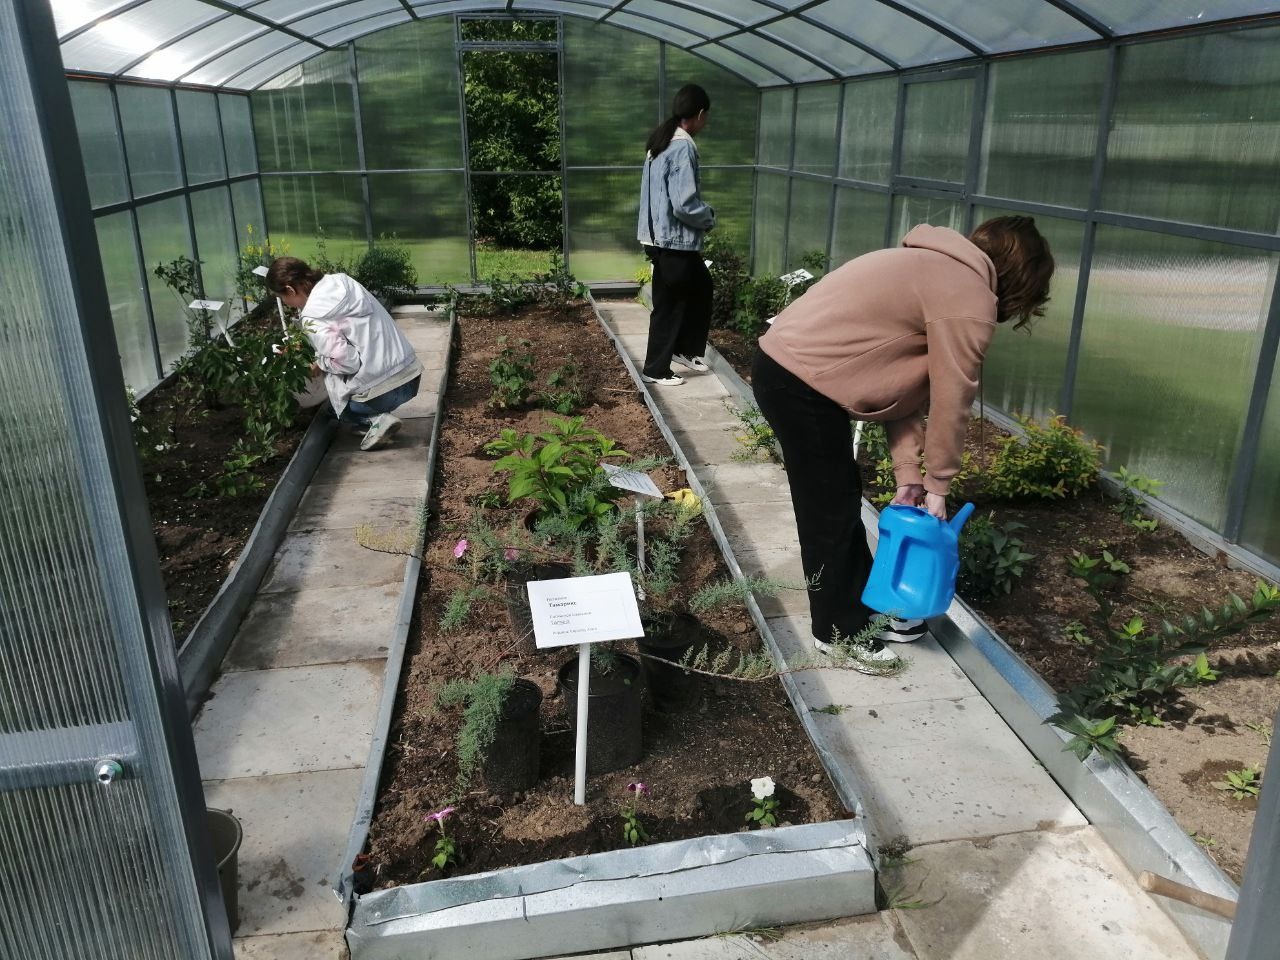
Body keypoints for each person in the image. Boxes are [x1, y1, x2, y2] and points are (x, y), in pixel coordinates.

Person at [752, 217, 1054, 671]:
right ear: (1022, 277)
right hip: (801, 381)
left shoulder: (928, 265)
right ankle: (839, 633)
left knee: (836, 501)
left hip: (789, 370)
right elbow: (953, 399)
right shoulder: (967, 296)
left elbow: (904, 391)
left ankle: (859, 612)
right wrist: (939, 485)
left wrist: (910, 475)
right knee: (829, 510)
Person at [267, 256, 422, 451]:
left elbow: (348, 363)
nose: (286, 303)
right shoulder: (341, 281)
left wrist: (320, 363)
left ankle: (375, 418)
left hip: (387, 389)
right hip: (411, 373)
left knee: (337, 410)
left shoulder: (313, 315)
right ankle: (369, 423)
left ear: (290, 289)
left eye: (283, 298)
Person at [637, 83, 715, 387]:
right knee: (670, 306)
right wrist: (707, 216)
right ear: (698, 114)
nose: (705, 123)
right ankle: (655, 369)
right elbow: (684, 204)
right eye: (705, 117)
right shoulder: (681, 146)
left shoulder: (662, 140)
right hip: (673, 241)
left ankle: (683, 350)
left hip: (659, 238)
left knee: (701, 287)